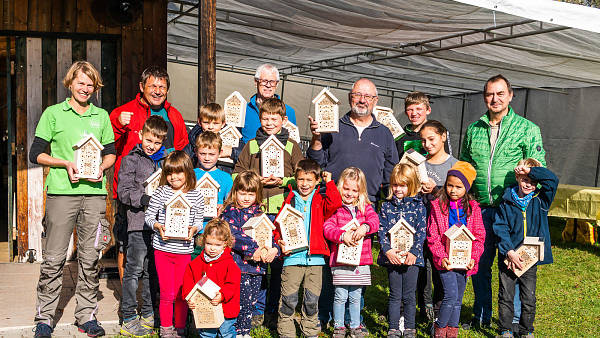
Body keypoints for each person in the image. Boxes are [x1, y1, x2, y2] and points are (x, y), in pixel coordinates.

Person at [29, 61, 116, 338]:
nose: (85, 88)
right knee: (54, 259)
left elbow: (111, 152)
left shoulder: (101, 116)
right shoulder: (53, 114)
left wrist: (101, 168)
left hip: (94, 196)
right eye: (81, 83)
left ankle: (86, 316)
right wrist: (65, 163)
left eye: (90, 85)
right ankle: (44, 319)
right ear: (70, 83)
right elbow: (36, 154)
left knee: (90, 258)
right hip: (61, 194)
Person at [460, 74, 546, 328]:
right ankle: (483, 315)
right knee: (480, 264)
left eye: (500, 94)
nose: (494, 99)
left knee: (514, 265)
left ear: (510, 95)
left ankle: (516, 320)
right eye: (489, 94)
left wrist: (527, 186)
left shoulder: (527, 129)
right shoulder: (474, 129)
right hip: (481, 208)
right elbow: (465, 165)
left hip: (513, 210)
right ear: (484, 97)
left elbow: (539, 168)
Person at [110, 66, 189, 281]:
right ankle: (128, 299)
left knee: (158, 246)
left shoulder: (174, 115)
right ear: (141, 87)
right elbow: (108, 147)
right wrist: (118, 125)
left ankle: (151, 299)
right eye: (152, 85)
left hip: (164, 194)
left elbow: (183, 150)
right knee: (127, 245)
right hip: (131, 196)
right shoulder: (124, 112)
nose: (157, 90)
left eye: (162, 87)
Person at [275, 159, 342, 338]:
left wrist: (329, 183)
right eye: (301, 180)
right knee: (289, 299)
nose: (305, 184)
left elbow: (335, 203)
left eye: (309, 180)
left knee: (311, 300)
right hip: (292, 258)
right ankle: (286, 332)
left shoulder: (320, 199)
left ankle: (310, 332)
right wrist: (280, 242)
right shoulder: (289, 200)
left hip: (316, 259)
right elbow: (278, 225)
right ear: (295, 180)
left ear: (317, 181)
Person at [493, 160, 558, 338]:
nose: (528, 184)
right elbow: (500, 227)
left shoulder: (541, 200)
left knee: (528, 298)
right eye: (524, 179)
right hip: (509, 257)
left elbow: (552, 180)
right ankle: (505, 329)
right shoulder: (506, 201)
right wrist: (509, 251)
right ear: (517, 178)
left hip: (530, 258)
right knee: (506, 295)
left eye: (532, 180)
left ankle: (526, 330)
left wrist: (530, 170)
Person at [307, 78, 398, 203]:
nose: (362, 100)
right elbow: (315, 164)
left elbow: (391, 172)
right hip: (333, 201)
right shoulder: (333, 127)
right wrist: (317, 138)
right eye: (357, 95)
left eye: (367, 96)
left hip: (367, 204)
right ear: (350, 97)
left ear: (375, 100)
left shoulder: (384, 133)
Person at [117, 115, 168, 336]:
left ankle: (148, 314)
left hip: (159, 225)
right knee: (134, 271)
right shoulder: (131, 160)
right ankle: (128, 316)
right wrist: (145, 199)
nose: (152, 146)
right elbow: (123, 192)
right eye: (149, 140)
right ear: (141, 135)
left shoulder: (166, 162)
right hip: (138, 223)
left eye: (157, 142)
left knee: (151, 271)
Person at [144, 151, 204, 337]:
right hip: (163, 250)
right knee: (166, 293)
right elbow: (148, 216)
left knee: (180, 292)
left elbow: (199, 221)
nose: (173, 177)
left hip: (184, 251)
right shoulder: (161, 192)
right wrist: (157, 226)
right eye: (169, 173)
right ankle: (166, 328)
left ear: (187, 172)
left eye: (178, 173)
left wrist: (193, 230)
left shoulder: (196, 195)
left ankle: (180, 328)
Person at [427, 161, 485, 338]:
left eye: (458, 187)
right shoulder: (438, 206)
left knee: (458, 299)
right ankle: (438, 329)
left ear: (466, 188)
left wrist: (473, 257)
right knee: (451, 296)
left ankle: (452, 332)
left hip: (464, 260)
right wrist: (441, 256)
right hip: (446, 260)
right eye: (450, 185)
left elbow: (479, 235)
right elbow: (433, 235)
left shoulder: (473, 208)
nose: (453, 190)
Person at [220, 171, 281, 338]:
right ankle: (234, 331)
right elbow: (233, 235)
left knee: (251, 301)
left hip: (257, 268)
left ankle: (244, 331)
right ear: (235, 192)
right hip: (238, 266)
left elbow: (270, 235)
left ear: (257, 194)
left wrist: (274, 250)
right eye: (242, 193)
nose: (246, 198)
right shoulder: (231, 212)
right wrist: (254, 249)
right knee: (239, 301)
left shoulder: (261, 214)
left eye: (251, 194)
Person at [323, 167, 380, 338]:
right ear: (340, 187)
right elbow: (327, 228)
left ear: (360, 191)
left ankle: (355, 325)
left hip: (360, 262)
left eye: (354, 190)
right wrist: (341, 235)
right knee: (340, 296)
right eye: (346, 189)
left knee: (356, 296)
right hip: (341, 261)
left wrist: (365, 227)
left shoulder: (365, 208)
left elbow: (375, 221)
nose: (349, 193)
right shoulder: (336, 208)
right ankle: (339, 327)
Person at [377, 164, 427, 338]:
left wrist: (414, 252)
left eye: (403, 185)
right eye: (395, 185)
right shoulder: (386, 206)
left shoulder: (419, 206)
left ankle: (409, 328)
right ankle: (393, 327)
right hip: (393, 258)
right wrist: (388, 251)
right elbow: (381, 230)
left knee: (409, 295)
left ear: (411, 185)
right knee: (395, 294)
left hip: (412, 259)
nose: (398, 189)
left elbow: (422, 231)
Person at [234, 97, 304, 214]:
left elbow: (301, 178)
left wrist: (282, 181)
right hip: (254, 206)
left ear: (284, 120)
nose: (269, 123)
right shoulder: (251, 144)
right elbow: (236, 175)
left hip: (283, 207)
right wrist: (255, 181)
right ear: (259, 119)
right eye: (265, 119)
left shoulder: (292, 146)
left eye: (274, 119)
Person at [418, 120, 458, 320]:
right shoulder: (419, 164)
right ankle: (424, 307)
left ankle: (440, 307)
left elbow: (460, 198)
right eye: (423, 140)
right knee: (422, 269)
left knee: (441, 269)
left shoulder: (455, 165)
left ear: (443, 136)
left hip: (444, 231)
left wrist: (436, 190)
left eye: (431, 139)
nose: (427, 144)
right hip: (420, 225)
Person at [183, 219, 241, 338]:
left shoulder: (229, 264)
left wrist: (222, 295)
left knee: (226, 334)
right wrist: (189, 298)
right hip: (206, 309)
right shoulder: (195, 264)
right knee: (206, 334)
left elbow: (232, 283)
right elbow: (188, 282)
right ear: (204, 241)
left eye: (217, 245)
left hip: (226, 309)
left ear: (225, 243)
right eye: (209, 244)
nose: (213, 248)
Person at [192, 131, 233, 258]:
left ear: (220, 153)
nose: (207, 158)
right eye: (203, 154)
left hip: (215, 233)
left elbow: (230, 204)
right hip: (194, 230)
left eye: (211, 154)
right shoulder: (191, 174)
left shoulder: (226, 178)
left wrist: (223, 208)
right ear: (195, 152)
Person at [241, 63, 297, 144]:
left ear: (277, 84)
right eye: (264, 81)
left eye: (272, 82)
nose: (268, 85)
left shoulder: (289, 111)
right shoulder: (243, 110)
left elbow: (293, 142)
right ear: (256, 82)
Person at [184, 103, 243, 173]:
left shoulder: (231, 136)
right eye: (206, 123)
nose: (210, 127)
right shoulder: (195, 138)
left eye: (215, 123)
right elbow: (184, 159)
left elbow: (245, 156)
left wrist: (232, 152)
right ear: (199, 122)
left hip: (225, 175)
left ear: (223, 124)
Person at [395, 92, 451, 160]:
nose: (414, 113)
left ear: (428, 110)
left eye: (419, 109)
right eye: (410, 110)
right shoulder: (399, 135)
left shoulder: (438, 132)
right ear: (406, 112)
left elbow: (446, 159)